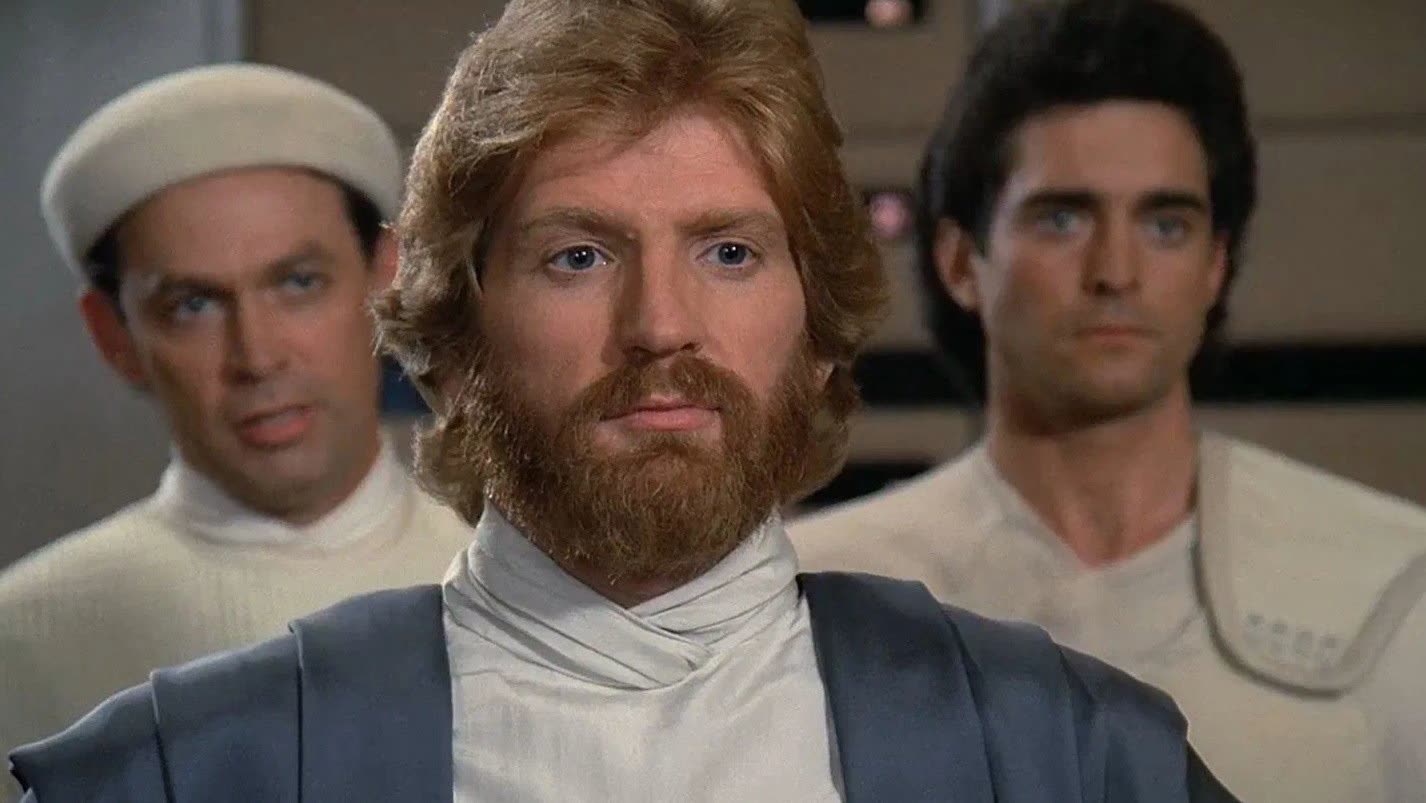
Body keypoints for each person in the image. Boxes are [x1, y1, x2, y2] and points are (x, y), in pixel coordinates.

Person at [8, 1, 1238, 801]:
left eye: (729, 251)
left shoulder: (1067, 752)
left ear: (817, 329)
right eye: (579, 255)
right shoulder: (191, 771)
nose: (660, 323)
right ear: (453, 332)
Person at [790, 2, 1426, 801]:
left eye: (1166, 224)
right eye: (1062, 218)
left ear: (1216, 263)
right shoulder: (820, 589)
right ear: (959, 261)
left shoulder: (1392, 582)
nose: (1117, 271)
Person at [0, 63, 472, 787]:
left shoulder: (521, 587)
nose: (257, 356)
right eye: (192, 305)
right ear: (113, 335)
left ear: (387, 278)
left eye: (298, 282)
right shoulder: (24, 637)